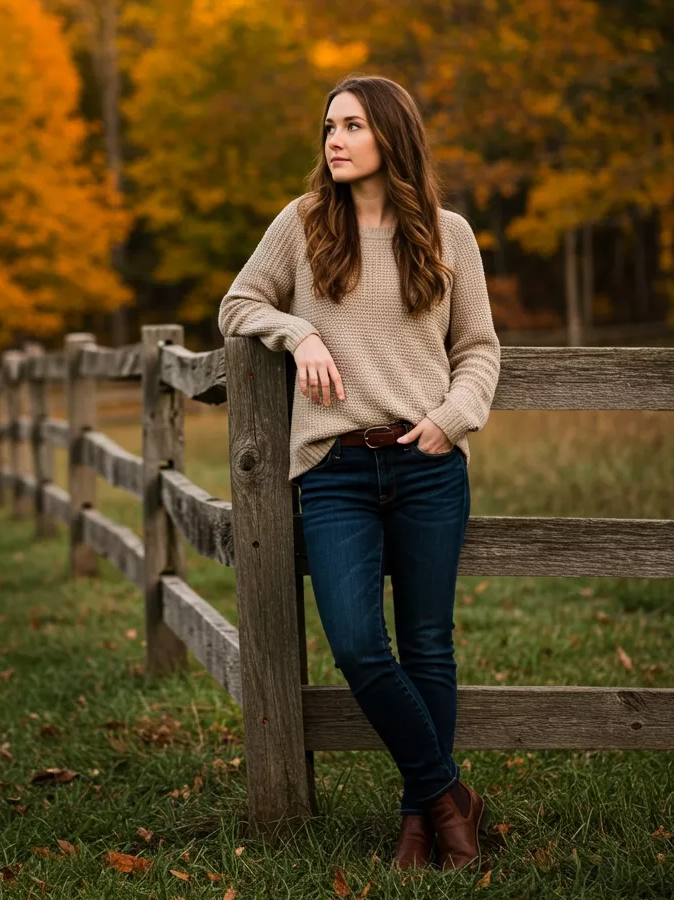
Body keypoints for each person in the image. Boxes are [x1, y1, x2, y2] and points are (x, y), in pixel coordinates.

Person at [218, 73, 501, 873]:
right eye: (328, 127)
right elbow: (237, 304)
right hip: (335, 471)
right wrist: (296, 331)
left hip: (427, 463)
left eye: (350, 126)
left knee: (428, 646)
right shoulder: (303, 224)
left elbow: (478, 349)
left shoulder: (450, 235)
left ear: (390, 136)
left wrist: (450, 421)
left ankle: (425, 822)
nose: (333, 140)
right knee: (355, 642)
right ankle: (452, 795)